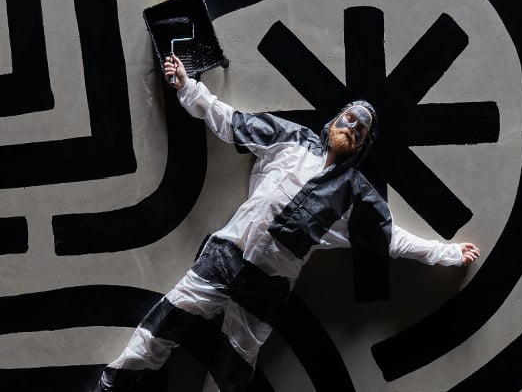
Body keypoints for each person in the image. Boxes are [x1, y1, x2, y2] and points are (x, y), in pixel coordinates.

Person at [96, 56, 481, 391]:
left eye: (360, 130)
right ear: (335, 119)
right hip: (225, 256)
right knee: (165, 320)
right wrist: (188, 86)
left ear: (363, 145)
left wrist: (447, 253)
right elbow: (231, 121)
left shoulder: (354, 193)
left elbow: (391, 239)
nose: (352, 127)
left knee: (236, 364)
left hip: (268, 286)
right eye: (350, 118)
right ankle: (111, 385)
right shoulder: (290, 139)